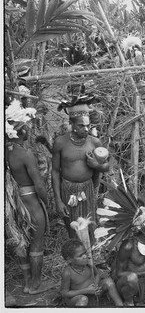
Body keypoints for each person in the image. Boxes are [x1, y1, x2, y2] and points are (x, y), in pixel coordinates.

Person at [5, 99, 56, 295]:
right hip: (30, 201)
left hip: (12, 204)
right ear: (21, 131)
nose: (28, 130)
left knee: (19, 240)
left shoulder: (6, 152)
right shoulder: (25, 154)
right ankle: (35, 284)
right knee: (36, 241)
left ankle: (26, 281)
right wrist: (46, 201)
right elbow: (39, 185)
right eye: (26, 127)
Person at [52, 97, 110, 238]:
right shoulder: (60, 143)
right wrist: (58, 201)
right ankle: (76, 254)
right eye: (81, 126)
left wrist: (97, 165)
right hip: (68, 189)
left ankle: (89, 254)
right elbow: (54, 171)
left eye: (88, 126)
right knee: (72, 227)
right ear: (71, 124)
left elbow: (107, 166)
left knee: (89, 225)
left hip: (87, 189)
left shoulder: (95, 142)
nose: (85, 129)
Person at [112, 207, 145, 306]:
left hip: (142, 279)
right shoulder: (128, 246)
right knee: (132, 278)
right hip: (126, 282)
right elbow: (119, 273)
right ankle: (128, 301)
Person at [60, 239, 123, 307]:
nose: (85, 256)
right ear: (69, 259)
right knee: (83, 299)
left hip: (93, 292)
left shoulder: (89, 264)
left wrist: (95, 286)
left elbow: (97, 275)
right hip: (78, 297)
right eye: (80, 256)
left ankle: (120, 306)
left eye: (85, 253)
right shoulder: (68, 273)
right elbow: (64, 293)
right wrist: (86, 290)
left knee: (108, 282)